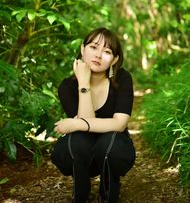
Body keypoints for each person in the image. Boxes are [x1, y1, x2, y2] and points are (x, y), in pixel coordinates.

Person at [51, 27, 136, 203]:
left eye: (106, 51)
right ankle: (81, 194)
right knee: (77, 140)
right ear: (83, 49)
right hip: (82, 153)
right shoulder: (67, 87)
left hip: (114, 150)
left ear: (115, 60)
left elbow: (119, 124)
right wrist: (83, 82)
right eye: (93, 47)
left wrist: (77, 124)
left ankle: (109, 194)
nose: (98, 55)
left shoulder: (122, 79)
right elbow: (85, 130)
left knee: (109, 141)